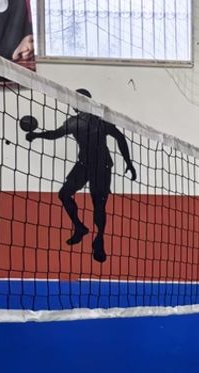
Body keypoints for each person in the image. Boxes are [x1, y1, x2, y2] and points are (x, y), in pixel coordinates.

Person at [25, 89, 136, 263]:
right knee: (64, 194)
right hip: (84, 164)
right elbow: (55, 134)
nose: (72, 104)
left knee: (98, 205)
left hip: (101, 166)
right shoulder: (75, 122)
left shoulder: (98, 120)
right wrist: (37, 135)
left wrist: (129, 162)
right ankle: (79, 227)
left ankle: (99, 239)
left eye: (74, 101)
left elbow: (120, 138)